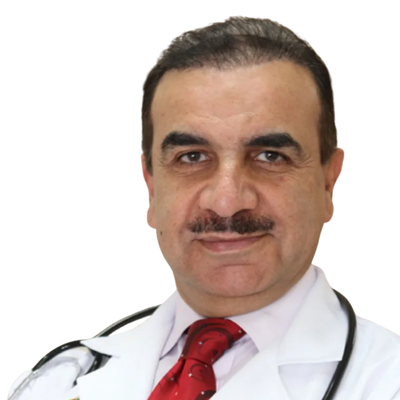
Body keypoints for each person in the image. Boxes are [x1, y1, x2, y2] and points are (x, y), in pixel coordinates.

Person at [8, 16, 400, 400]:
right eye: (192, 157)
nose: (227, 201)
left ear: (327, 183)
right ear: (151, 187)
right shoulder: (54, 385)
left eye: (270, 155)